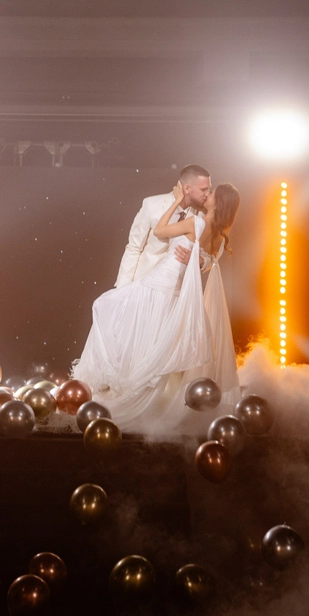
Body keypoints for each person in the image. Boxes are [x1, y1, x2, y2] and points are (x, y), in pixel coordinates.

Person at [73, 181, 241, 432]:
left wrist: (177, 201)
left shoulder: (196, 222)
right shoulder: (218, 234)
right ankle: (118, 381)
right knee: (138, 337)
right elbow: (208, 261)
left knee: (103, 306)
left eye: (211, 193)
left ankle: (112, 380)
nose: (207, 195)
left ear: (217, 202)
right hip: (171, 291)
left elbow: (160, 231)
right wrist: (198, 259)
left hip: (159, 285)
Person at [115, 164, 213, 288]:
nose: (207, 194)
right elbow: (134, 248)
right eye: (203, 190)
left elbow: (209, 256)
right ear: (187, 188)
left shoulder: (201, 216)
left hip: (177, 290)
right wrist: (122, 288)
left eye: (209, 190)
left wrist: (199, 261)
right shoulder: (151, 205)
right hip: (144, 285)